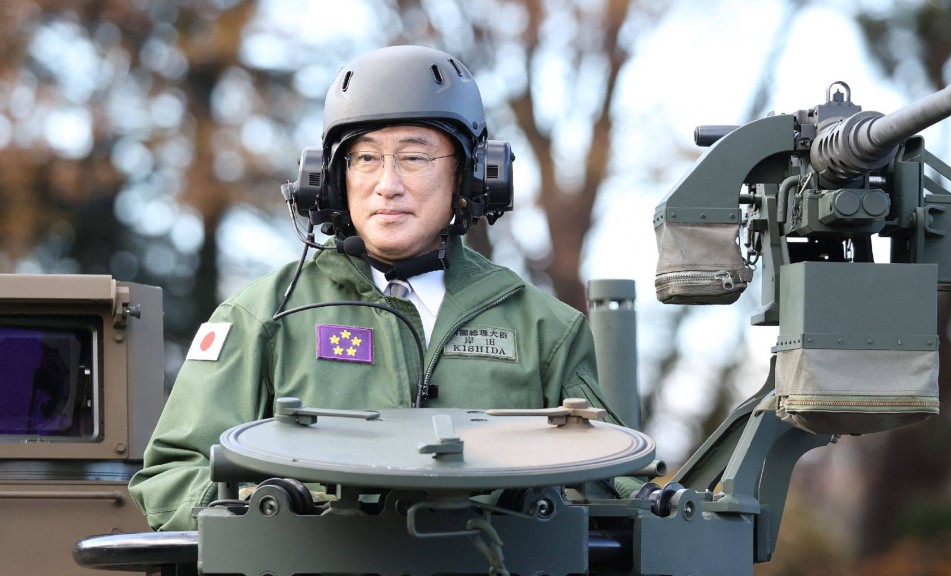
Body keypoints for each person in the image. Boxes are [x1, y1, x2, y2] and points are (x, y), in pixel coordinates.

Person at [128, 45, 621, 532]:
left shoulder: (544, 329)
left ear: (471, 174)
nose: (387, 184)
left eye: (414, 157)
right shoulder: (262, 316)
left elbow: (616, 485)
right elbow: (171, 476)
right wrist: (265, 513)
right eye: (365, 157)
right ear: (329, 180)